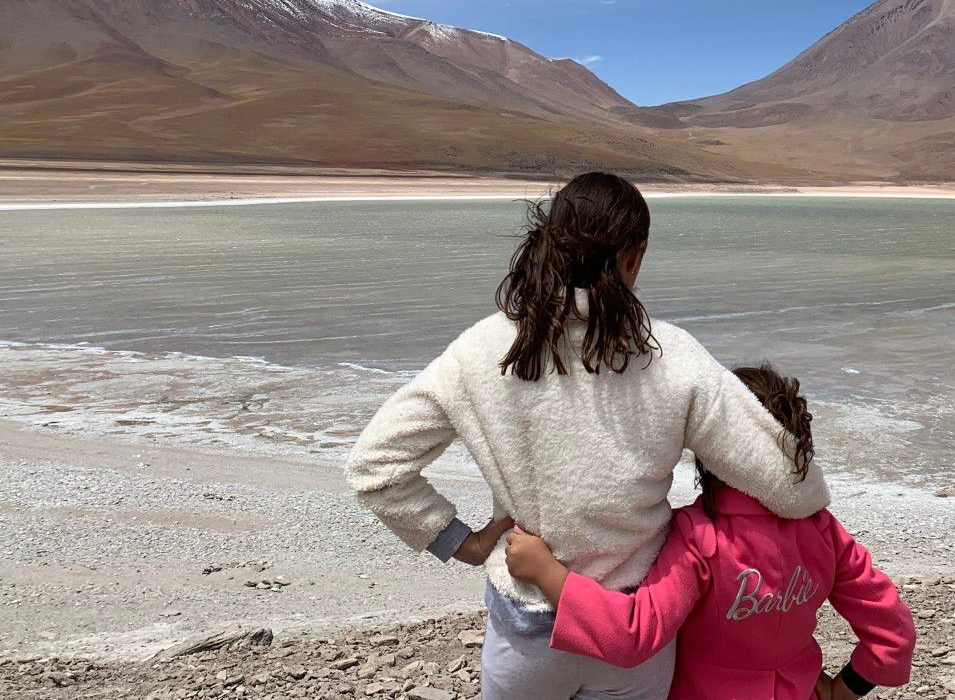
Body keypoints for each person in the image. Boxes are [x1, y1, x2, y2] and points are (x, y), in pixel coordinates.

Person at [346, 172, 830, 700]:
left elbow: (374, 467)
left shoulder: (482, 350)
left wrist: (464, 542)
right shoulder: (673, 358)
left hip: (528, 638)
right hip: (635, 629)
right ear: (633, 257)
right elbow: (790, 483)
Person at [505, 364, 915, 700]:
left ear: (711, 446)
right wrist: (844, 689)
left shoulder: (699, 535)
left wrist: (547, 572)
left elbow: (634, 635)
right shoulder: (823, 530)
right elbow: (894, 634)